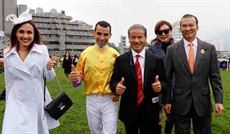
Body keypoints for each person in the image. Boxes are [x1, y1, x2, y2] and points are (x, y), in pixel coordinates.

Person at [164, 14, 224, 134]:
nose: (188, 28)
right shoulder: (172, 50)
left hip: (202, 102)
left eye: (191, 25)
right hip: (180, 102)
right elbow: (167, 78)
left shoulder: (209, 49)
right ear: (180, 28)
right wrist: (167, 101)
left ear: (197, 27)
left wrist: (218, 100)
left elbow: (215, 77)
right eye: (184, 26)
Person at [2, 9, 59, 134]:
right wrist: (8, 105)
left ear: (34, 34)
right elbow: (9, 82)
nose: (25, 36)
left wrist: (49, 68)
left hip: (36, 100)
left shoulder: (42, 50)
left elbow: (49, 78)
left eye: (29, 32)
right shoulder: (7, 53)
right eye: (21, 32)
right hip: (15, 100)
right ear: (15, 33)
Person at [110, 24, 167, 134]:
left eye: (140, 37)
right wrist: (116, 87)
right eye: (133, 37)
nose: (136, 40)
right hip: (129, 109)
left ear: (145, 38)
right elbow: (113, 81)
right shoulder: (121, 60)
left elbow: (164, 82)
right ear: (129, 38)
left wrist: (160, 86)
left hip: (150, 110)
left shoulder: (156, 60)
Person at [68, 21, 120, 134]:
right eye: (99, 33)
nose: (102, 37)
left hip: (109, 99)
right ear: (94, 33)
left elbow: (119, 78)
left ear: (110, 35)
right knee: (95, 131)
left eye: (105, 34)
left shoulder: (115, 54)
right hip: (91, 99)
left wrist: (117, 93)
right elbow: (78, 81)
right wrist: (75, 78)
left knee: (110, 131)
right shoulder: (85, 54)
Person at [148, 20, 174, 134]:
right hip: (156, 88)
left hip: (173, 87)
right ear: (156, 34)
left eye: (166, 31)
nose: (163, 34)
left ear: (171, 31)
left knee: (171, 116)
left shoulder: (178, 47)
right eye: (160, 32)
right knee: (157, 118)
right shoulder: (151, 50)